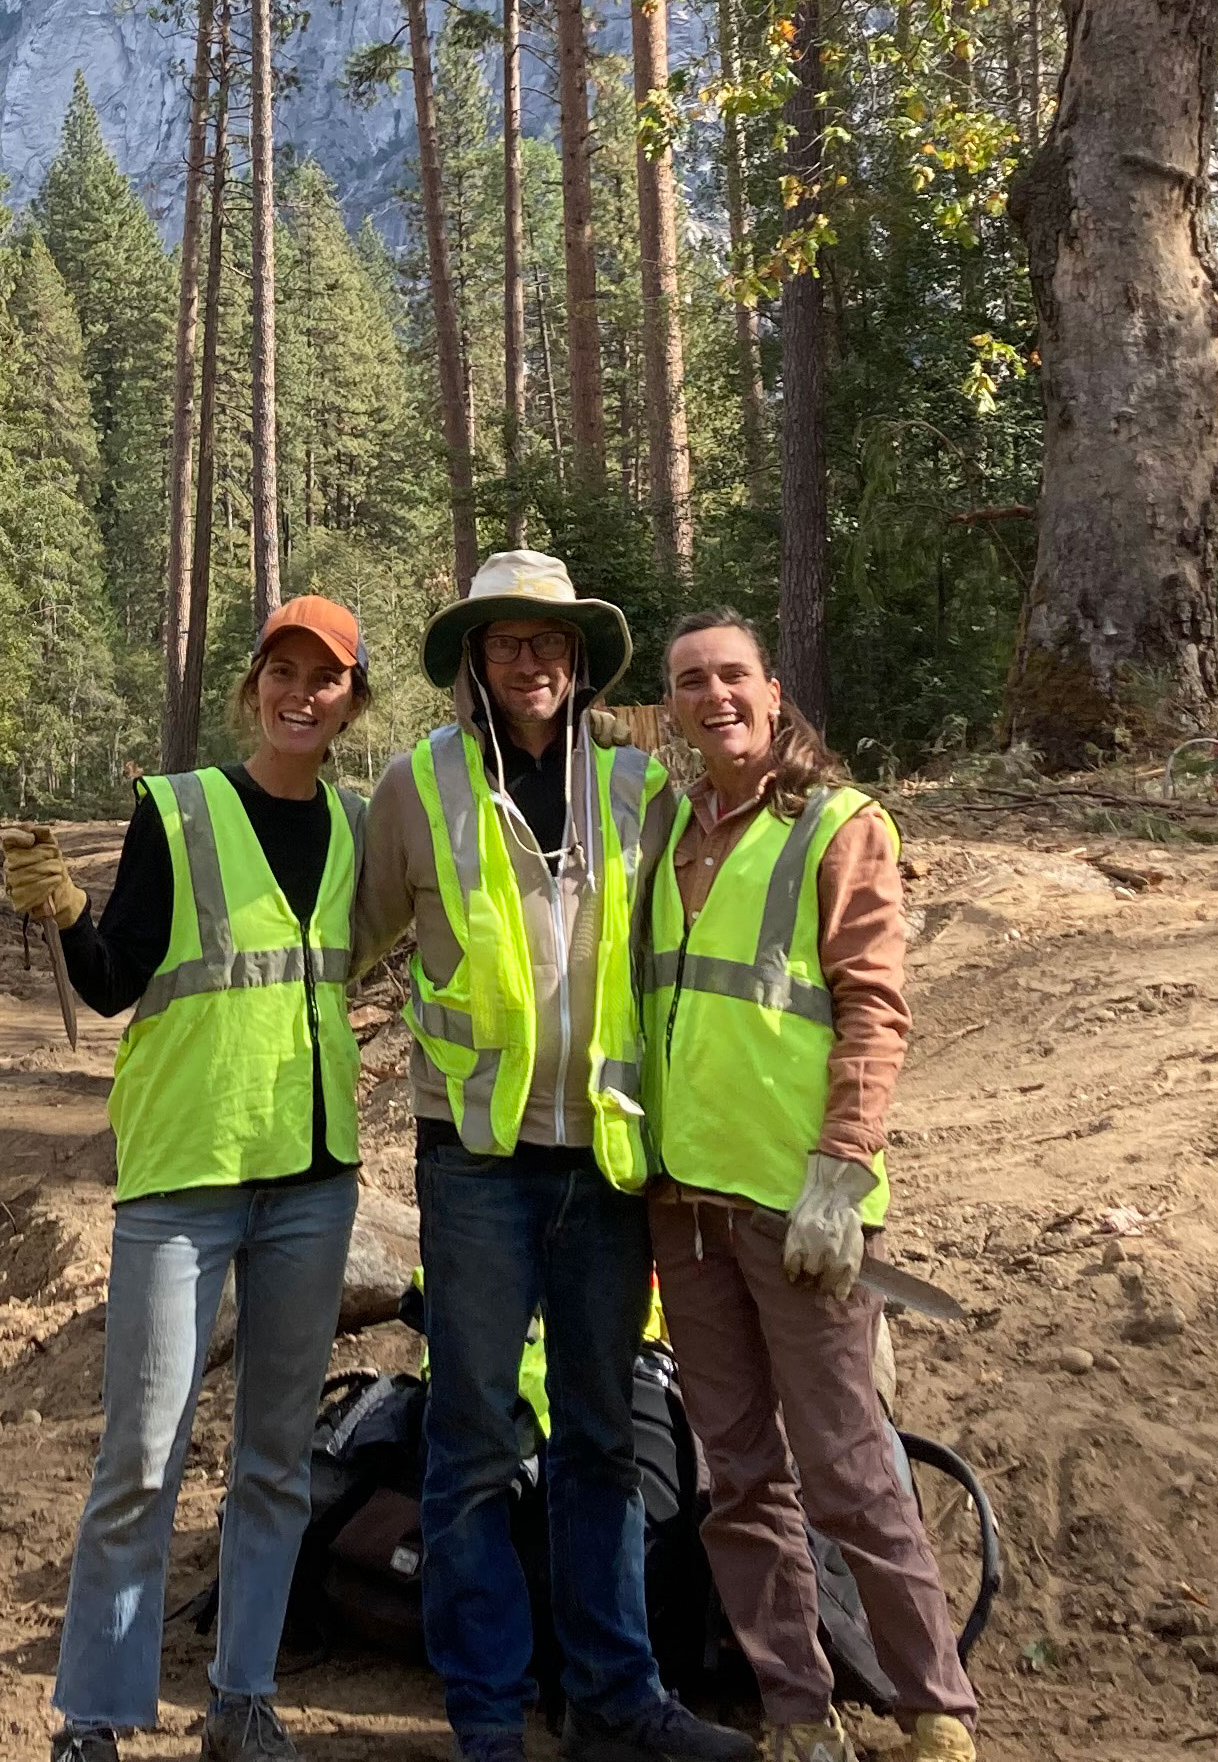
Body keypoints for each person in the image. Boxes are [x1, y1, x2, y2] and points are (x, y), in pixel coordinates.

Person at [355, 551, 746, 1762]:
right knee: (472, 1441)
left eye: (550, 640)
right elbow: (351, 939)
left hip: (609, 1162)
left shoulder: (639, 790)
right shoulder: (417, 783)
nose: (531, 659)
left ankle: (616, 1699)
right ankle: (487, 1717)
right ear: (475, 659)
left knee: (600, 1435)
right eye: (507, 639)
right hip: (475, 1161)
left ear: (579, 661)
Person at [0, 598, 379, 1762]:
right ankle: (96, 1717)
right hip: (185, 1176)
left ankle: (243, 1699)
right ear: (252, 685)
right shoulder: (179, 808)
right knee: (143, 1456)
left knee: (275, 1458)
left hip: (313, 1179)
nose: (300, 691)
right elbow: (113, 982)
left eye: (325, 676)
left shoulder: (363, 828)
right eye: (282, 669)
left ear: (351, 700)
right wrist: (65, 912)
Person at [636, 610, 980, 1762]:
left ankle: (935, 1707)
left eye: (732, 675)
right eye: (691, 682)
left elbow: (876, 1006)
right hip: (686, 1212)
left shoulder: (839, 826)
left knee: (848, 1465)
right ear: (673, 705)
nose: (713, 696)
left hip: (801, 1215)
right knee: (738, 1478)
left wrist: (843, 1163)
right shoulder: (674, 832)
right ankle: (798, 1711)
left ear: (773, 692)